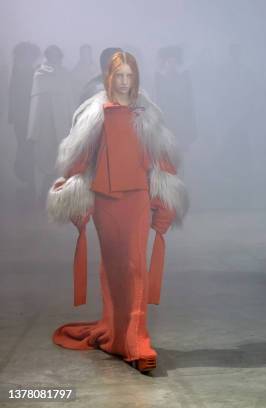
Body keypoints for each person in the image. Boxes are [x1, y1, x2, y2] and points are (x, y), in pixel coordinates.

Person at [47, 51, 188, 373]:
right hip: (104, 199)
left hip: (137, 196)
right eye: (119, 76)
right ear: (109, 78)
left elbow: (162, 158)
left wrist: (165, 198)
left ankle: (137, 338)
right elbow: (80, 157)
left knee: (136, 265)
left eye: (129, 76)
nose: (124, 82)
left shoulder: (148, 114)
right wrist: (70, 192)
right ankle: (117, 332)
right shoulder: (95, 113)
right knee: (113, 268)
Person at [27, 45, 75, 204]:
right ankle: (42, 195)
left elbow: (69, 100)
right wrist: (33, 129)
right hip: (44, 123)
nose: (54, 58)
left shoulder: (65, 75)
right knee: (43, 160)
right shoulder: (39, 74)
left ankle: (59, 195)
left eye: (57, 55)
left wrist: (72, 122)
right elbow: (36, 103)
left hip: (62, 122)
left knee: (61, 159)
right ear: (47, 56)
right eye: (51, 55)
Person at [8, 42, 40, 207]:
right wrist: (12, 115)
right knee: (24, 147)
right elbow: (12, 93)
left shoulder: (34, 71)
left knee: (28, 148)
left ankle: (30, 181)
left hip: (29, 116)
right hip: (22, 117)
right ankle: (28, 180)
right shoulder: (19, 70)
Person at [154, 46, 197, 151]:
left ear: (177, 63)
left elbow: (189, 103)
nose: (171, 65)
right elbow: (155, 102)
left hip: (181, 121)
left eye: (173, 62)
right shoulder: (159, 80)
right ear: (165, 63)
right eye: (169, 62)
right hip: (165, 121)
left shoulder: (184, 79)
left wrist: (190, 126)